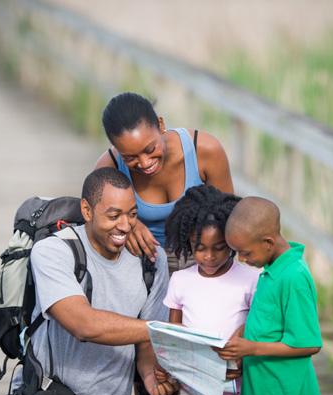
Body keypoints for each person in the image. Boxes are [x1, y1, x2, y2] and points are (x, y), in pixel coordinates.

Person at [23, 167, 178, 395]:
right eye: (114, 216)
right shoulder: (53, 251)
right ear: (87, 210)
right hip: (54, 392)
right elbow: (84, 325)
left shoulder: (152, 260)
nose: (125, 226)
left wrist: (149, 375)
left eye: (133, 214)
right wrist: (167, 331)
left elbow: (146, 341)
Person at [95, 92, 233, 273]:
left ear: (161, 125)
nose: (144, 163)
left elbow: (230, 218)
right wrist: (128, 223)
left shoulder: (205, 151)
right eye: (130, 157)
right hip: (142, 262)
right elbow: (92, 219)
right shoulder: (109, 165)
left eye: (150, 149)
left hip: (203, 261)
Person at [215, 197, 323, 395]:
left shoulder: (294, 276)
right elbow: (267, 321)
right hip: (261, 385)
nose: (241, 260)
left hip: (284, 389)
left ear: (268, 243)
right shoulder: (269, 271)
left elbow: (309, 343)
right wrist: (241, 333)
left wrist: (252, 348)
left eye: (245, 253)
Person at [162, 185, 260, 395]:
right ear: (188, 242)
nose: (209, 256)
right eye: (200, 248)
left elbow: (259, 325)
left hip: (234, 384)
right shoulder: (180, 280)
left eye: (219, 247)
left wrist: (243, 334)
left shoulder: (251, 279)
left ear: (232, 241)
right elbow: (172, 332)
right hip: (190, 386)